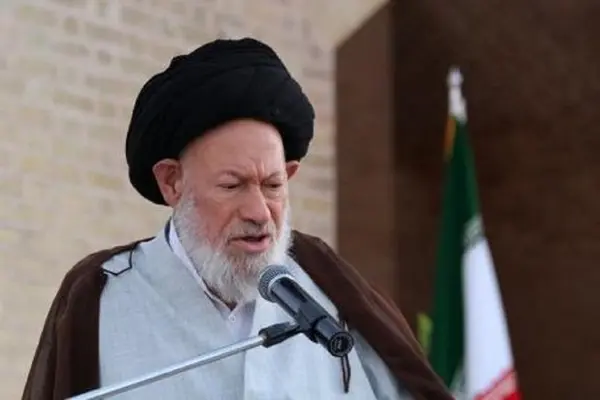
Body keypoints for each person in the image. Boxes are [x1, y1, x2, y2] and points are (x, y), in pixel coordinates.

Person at [21, 38, 452, 400]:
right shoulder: (100, 296)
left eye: (273, 185)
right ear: (172, 182)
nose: (259, 213)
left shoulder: (331, 286)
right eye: (232, 185)